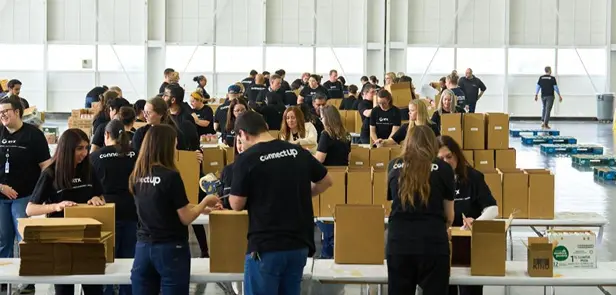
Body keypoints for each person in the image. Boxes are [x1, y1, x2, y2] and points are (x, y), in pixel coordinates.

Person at [226, 111, 333, 295]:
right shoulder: (296, 150)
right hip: (299, 243)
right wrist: (298, 194)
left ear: (242, 134)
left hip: (267, 245)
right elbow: (326, 181)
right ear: (265, 127)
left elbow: (236, 203)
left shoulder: (247, 159)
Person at [129, 124, 218, 295]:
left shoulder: (138, 174)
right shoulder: (171, 176)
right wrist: (205, 200)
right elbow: (185, 218)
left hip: (143, 248)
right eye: (174, 143)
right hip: (170, 249)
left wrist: (200, 209)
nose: (176, 147)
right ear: (166, 145)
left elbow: (163, 205)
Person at [26, 128, 106, 295]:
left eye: (86, 147)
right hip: (60, 240)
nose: (84, 153)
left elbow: (100, 195)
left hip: (88, 239)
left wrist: (97, 199)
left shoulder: (89, 170)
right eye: (79, 148)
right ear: (67, 149)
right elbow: (30, 209)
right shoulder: (50, 173)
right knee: (64, 290)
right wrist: (55, 206)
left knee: (94, 289)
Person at [386, 125, 455, 295]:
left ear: (408, 142)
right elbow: (449, 215)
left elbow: (392, 203)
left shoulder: (393, 166)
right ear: (432, 143)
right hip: (432, 242)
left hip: (399, 242)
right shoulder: (444, 168)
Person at [0, 97, 51, 294]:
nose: (2, 115)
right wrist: (2, 187)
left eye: (6, 111)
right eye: (0, 112)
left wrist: (42, 194)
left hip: (25, 196)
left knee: (25, 238)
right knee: (3, 239)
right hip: (1, 196)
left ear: (18, 112)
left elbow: (46, 167)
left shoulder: (33, 135)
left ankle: (27, 279)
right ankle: (4, 279)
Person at [438, 135, 498, 295]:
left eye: (449, 157)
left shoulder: (473, 177)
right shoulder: (433, 179)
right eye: (441, 159)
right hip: (442, 246)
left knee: (470, 290)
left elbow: (492, 208)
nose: (446, 162)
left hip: (469, 246)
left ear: (457, 155)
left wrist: (477, 222)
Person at [90, 120, 137, 295]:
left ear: (107, 135)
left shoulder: (95, 157)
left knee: (107, 261)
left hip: (105, 212)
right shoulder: (135, 154)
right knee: (130, 260)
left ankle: (107, 291)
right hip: (132, 210)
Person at [314, 105, 350, 260]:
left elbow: (319, 160)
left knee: (325, 216)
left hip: (327, 178)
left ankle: (327, 255)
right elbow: (348, 159)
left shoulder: (325, 135)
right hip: (343, 178)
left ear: (326, 118)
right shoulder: (346, 135)